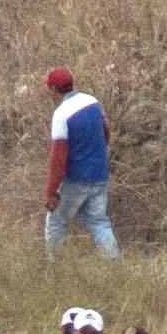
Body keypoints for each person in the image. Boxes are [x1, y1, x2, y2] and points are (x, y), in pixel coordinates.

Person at [40, 67, 115, 254]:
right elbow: (106, 134)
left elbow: (58, 157)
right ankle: (114, 265)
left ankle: (53, 269)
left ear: (53, 90)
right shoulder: (93, 102)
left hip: (76, 179)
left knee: (56, 222)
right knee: (99, 222)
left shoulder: (61, 114)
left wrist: (50, 192)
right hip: (99, 175)